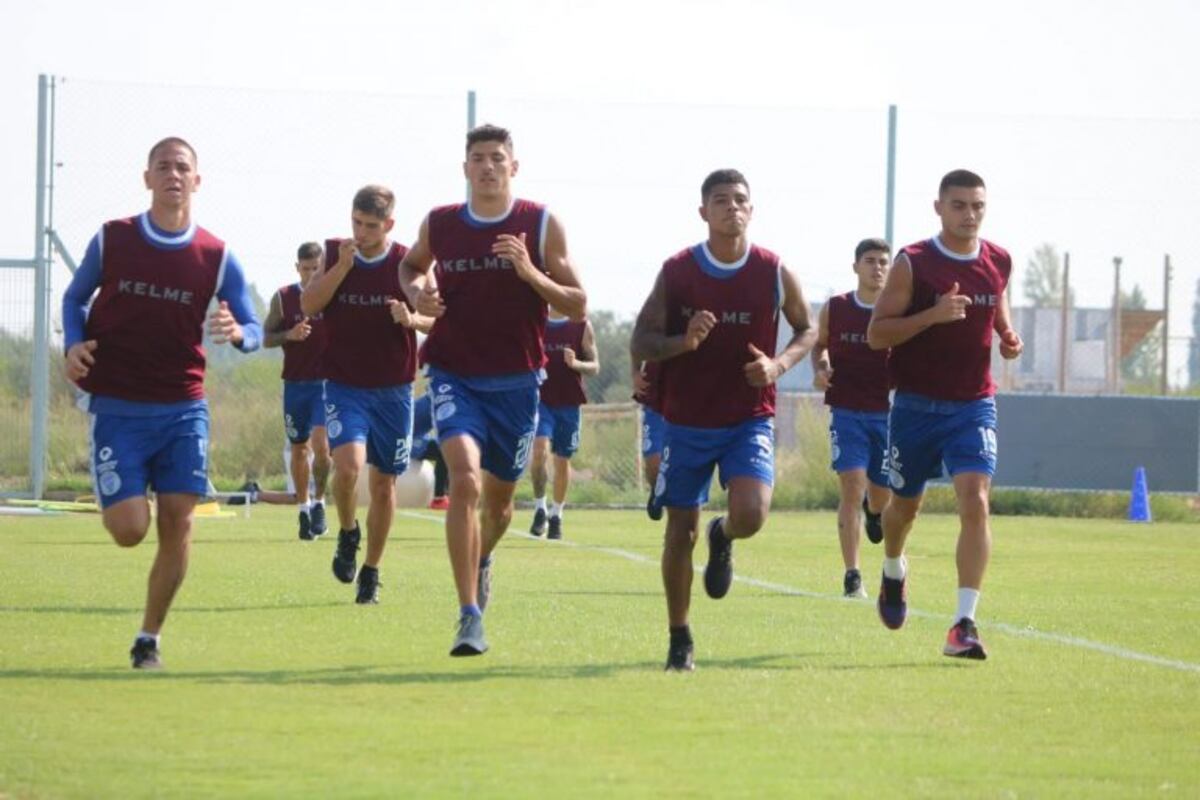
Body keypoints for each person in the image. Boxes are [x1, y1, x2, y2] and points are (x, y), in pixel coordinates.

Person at [61, 136, 262, 669]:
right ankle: (131, 486)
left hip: (183, 406)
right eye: (163, 167)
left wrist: (238, 331)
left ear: (197, 181)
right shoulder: (113, 239)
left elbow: (256, 328)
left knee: (180, 521)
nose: (174, 175)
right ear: (147, 178)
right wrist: (72, 343)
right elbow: (74, 298)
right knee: (130, 530)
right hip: (119, 407)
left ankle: (148, 637)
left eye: (183, 168)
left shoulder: (217, 256)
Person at [399, 124, 587, 657]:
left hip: (518, 382)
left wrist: (530, 272)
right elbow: (411, 266)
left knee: (500, 507)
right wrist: (420, 297)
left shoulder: (540, 223)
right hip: (454, 372)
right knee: (464, 479)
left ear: (513, 166)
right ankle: (468, 616)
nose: (487, 167)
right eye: (478, 158)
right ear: (465, 168)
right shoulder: (441, 224)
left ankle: (483, 558)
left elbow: (576, 302)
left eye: (497, 158)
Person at [631, 168, 815, 672]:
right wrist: (683, 343)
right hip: (686, 419)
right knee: (677, 534)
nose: (732, 207)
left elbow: (806, 330)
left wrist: (778, 365)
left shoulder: (774, 271)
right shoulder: (678, 271)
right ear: (703, 212)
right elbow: (641, 341)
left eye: (740, 200)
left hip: (747, 418)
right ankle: (679, 638)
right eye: (721, 200)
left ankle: (725, 536)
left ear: (751, 210)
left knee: (752, 514)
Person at [866, 169, 1023, 661]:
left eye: (977, 205)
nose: (969, 215)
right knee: (904, 510)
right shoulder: (914, 263)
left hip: (973, 404)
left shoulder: (999, 259)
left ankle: (964, 624)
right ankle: (893, 568)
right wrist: (931, 316)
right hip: (915, 406)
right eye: (959, 206)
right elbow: (877, 334)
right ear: (939, 208)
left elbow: (996, 306)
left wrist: (1008, 336)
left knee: (975, 499)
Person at [301, 185, 425, 605]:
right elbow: (309, 303)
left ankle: (371, 571)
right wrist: (341, 268)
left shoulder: (407, 261)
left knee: (384, 483)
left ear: (389, 224)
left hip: (394, 389)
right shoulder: (336, 252)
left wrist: (411, 317)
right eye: (356, 222)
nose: (362, 231)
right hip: (344, 384)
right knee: (348, 465)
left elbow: (435, 316)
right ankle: (348, 532)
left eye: (371, 226)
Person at [811, 238, 893, 598]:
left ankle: (874, 514)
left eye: (884, 262)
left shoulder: (897, 310)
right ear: (856, 266)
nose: (877, 268)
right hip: (846, 411)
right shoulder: (837, 307)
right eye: (870, 261)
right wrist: (821, 367)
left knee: (880, 495)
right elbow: (819, 345)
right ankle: (852, 576)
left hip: (888, 414)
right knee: (852, 484)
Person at [262, 241, 331, 540]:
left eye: (317, 269)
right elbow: (266, 337)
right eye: (306, 269)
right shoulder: (284, 297)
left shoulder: (333, 295)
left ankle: (320, 502)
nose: (312, 275)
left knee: (321, 444)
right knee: (299, 448)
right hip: (295, 384)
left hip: (327, 383)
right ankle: (303, 508)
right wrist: (289, 335)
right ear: (297, 268)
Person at [529, 312, 599, 540]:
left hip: (569, 403)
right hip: (541, 401)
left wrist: (576, 363)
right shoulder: (536, 320)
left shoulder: (581, 325)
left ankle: (556, 515)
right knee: (539, 449)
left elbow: (595, 365)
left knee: (562, 461)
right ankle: (540, 507)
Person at [631, 359, 665, 521]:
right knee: (654, 463)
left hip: (688, 398)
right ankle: (656, 490)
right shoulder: (654, 333)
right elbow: (637, 343)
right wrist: (635, 372)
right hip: (656, 400)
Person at [410, 388, 451, 509]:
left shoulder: (436, 397)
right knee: (446, 450)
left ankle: (448, 496)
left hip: (421, 436)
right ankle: (439, 498)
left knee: (450, 449)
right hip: (409, 440)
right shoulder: (437, 400)